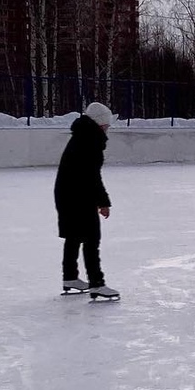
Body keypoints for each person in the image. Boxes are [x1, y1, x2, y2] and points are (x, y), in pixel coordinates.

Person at [55, 101, 119, 298]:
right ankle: (96, 283)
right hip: (79, 195)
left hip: (67, 193)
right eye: (107, 125)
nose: (108, 128)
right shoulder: (91, 141)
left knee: (73, 237)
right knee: (91, 238)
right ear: (100, 124)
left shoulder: (82, 136)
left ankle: (70, 277)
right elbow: (92, 176)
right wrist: (103, 202)